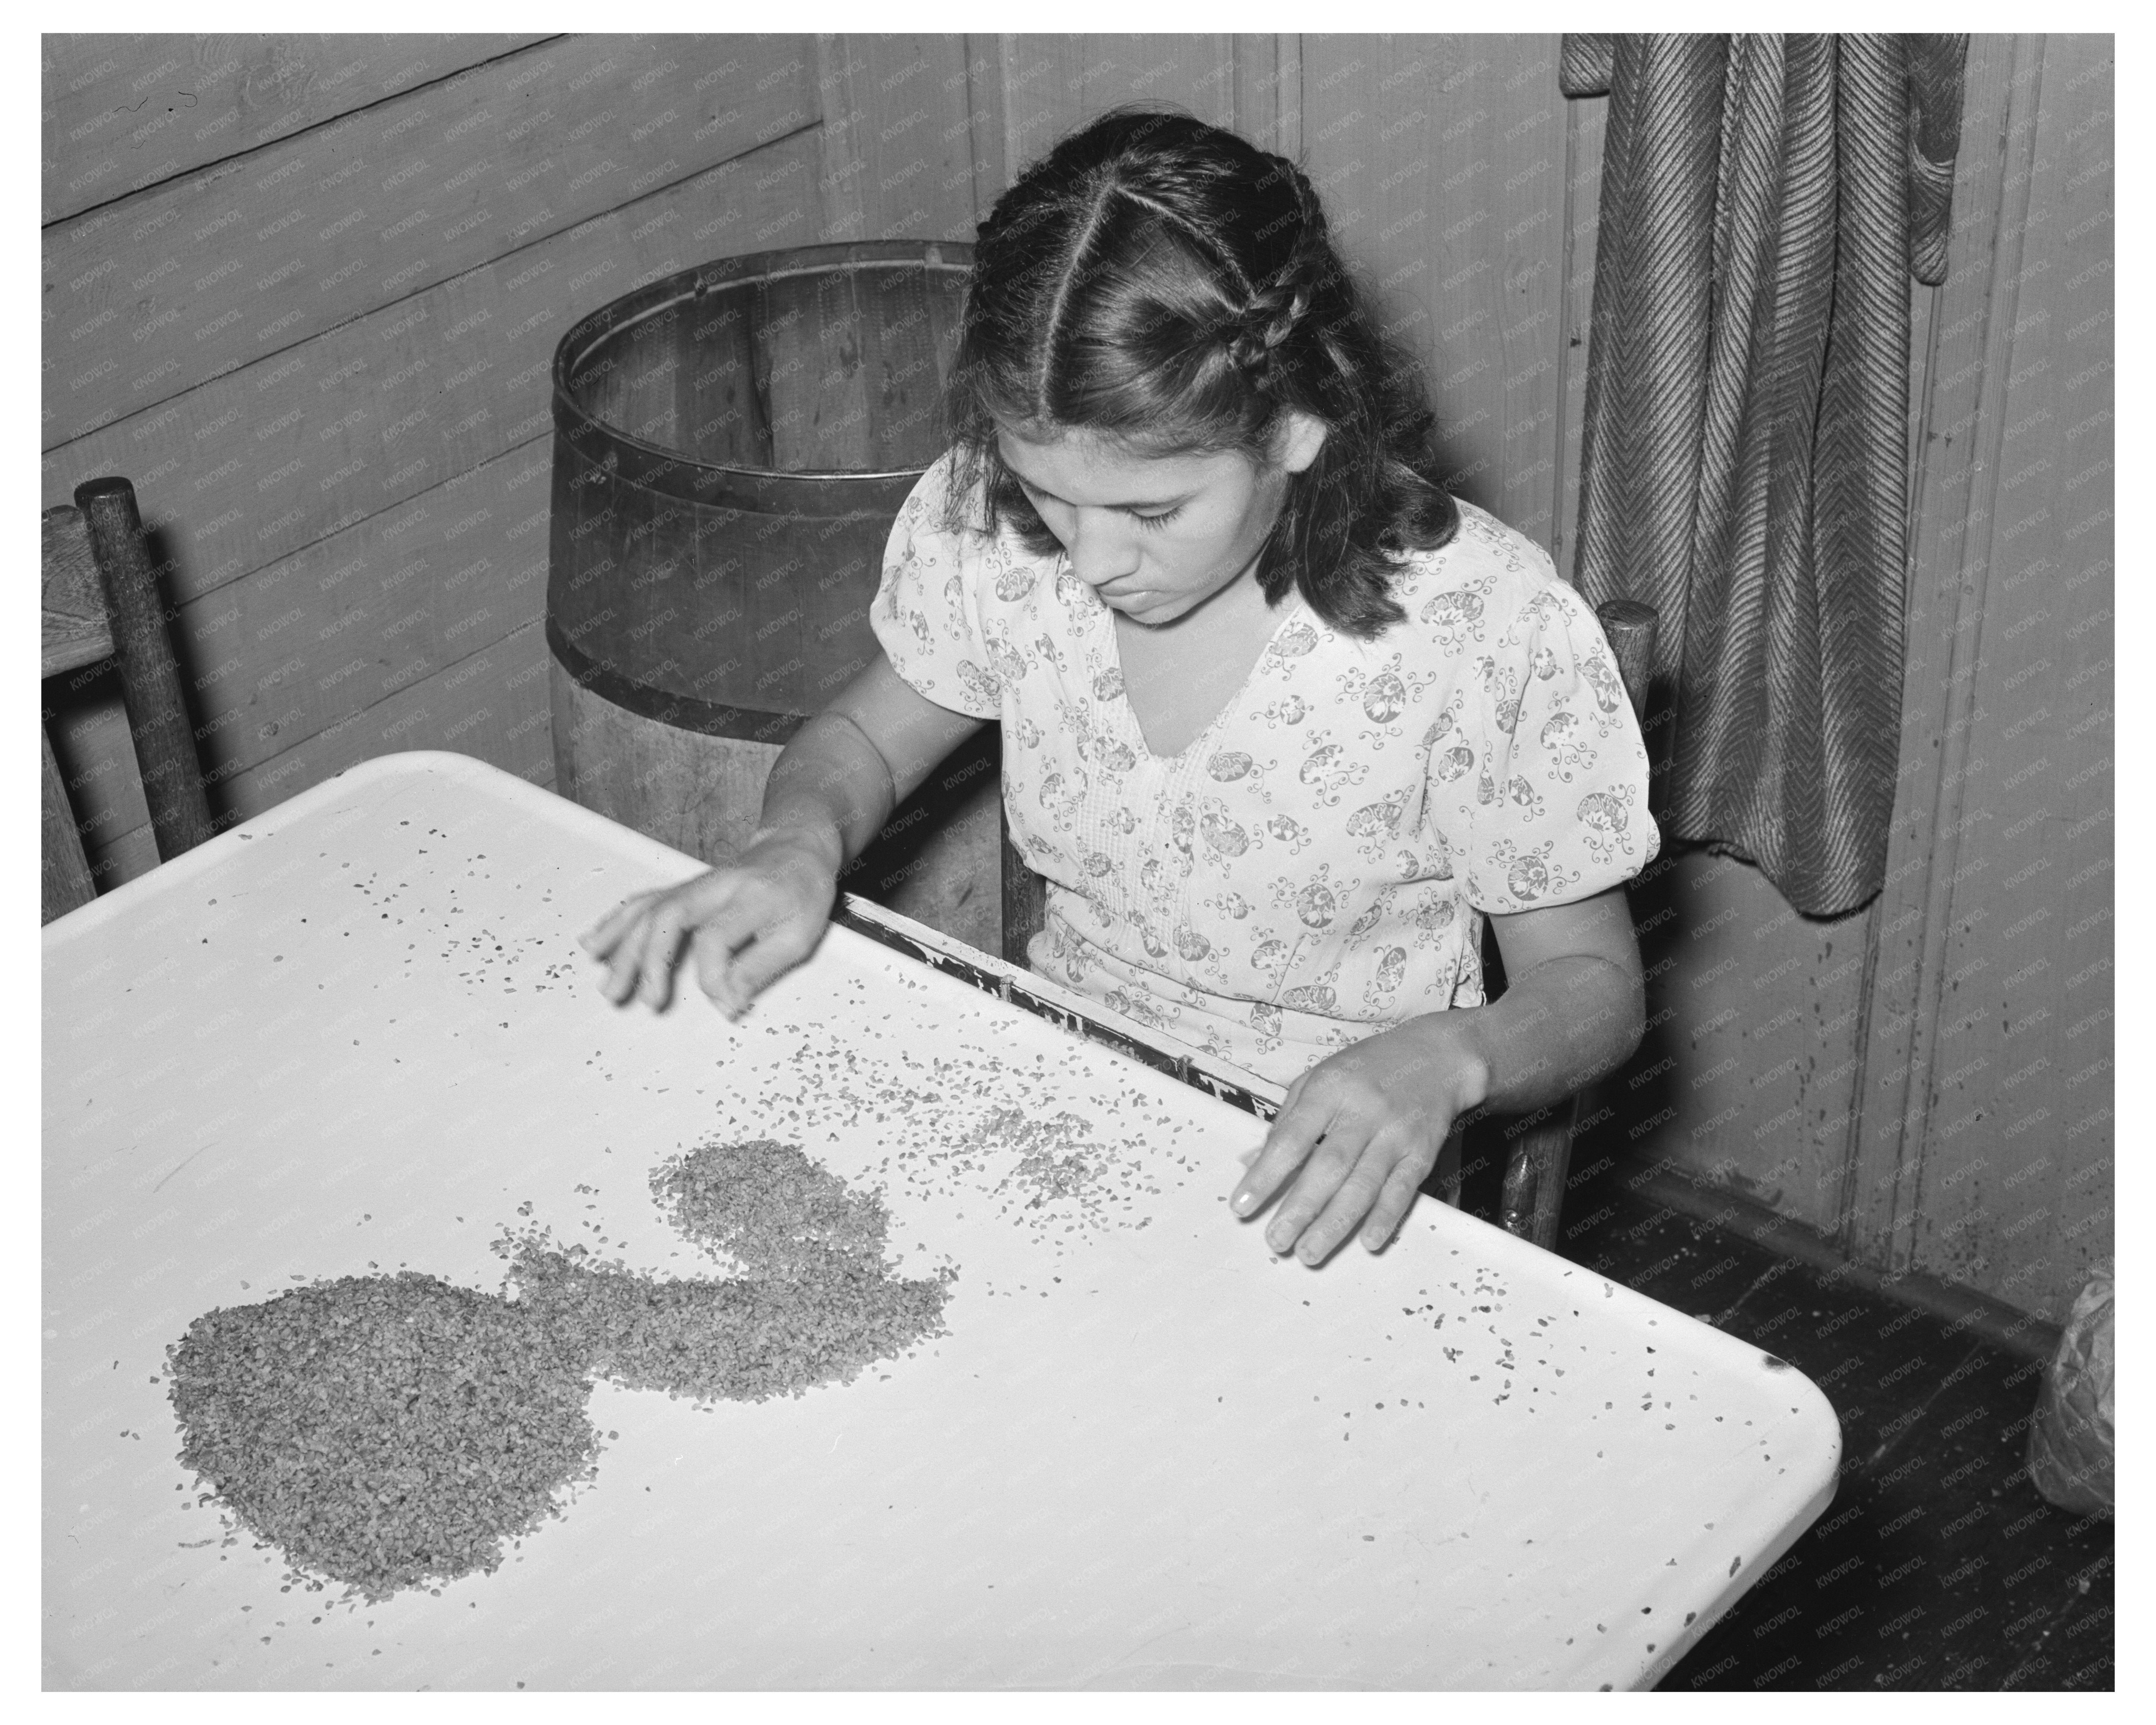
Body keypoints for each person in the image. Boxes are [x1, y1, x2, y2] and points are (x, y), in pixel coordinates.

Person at [582, 108, 1657, 1268]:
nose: (1091, 559)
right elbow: (864, 741)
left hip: (1333, 1177)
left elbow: (1593, 987)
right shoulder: (1002, 538)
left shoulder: (1478, 629)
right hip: (1063, 1105)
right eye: (1049, 492)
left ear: (1297, 426)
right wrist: (797, 842)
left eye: (1153, 511)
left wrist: (1452, 1059)